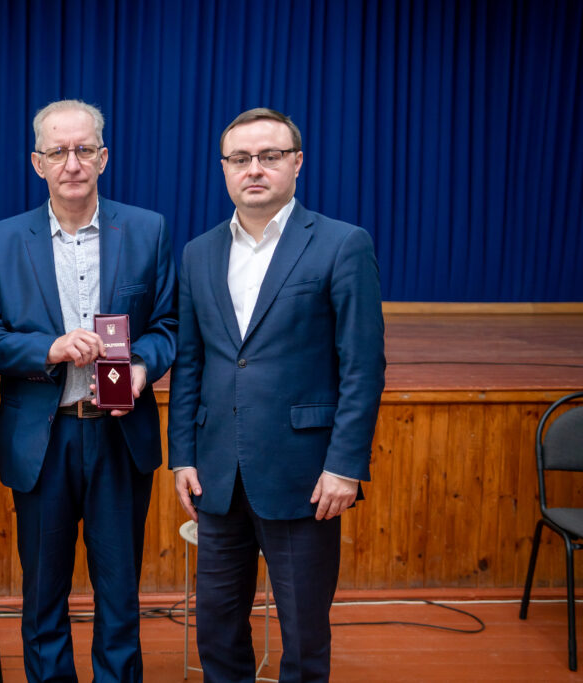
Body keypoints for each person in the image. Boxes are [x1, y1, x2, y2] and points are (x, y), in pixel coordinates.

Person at [168, 108, 386, 682]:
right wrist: (183, 455)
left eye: (269, 156)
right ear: (224, 169)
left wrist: (345, 466)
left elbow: (362, 367)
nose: (254, 169)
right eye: (240, 158)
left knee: (304, 634)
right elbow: (190, 363)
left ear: (297, 162)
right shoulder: (198, 253)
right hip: (217, 474)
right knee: (216, 628)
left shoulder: (342, 244)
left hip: (305, 475)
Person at [0, 99, 176, 682]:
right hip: (44, 438)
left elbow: (168, 324)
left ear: (103, 157)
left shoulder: (148, 230)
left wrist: (142, 365)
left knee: (120, 594)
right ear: (38, 163)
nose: (72, 163)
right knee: (43, 596)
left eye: (84, 149)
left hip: (119, 436)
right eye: (58, 151)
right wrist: (49, 349)